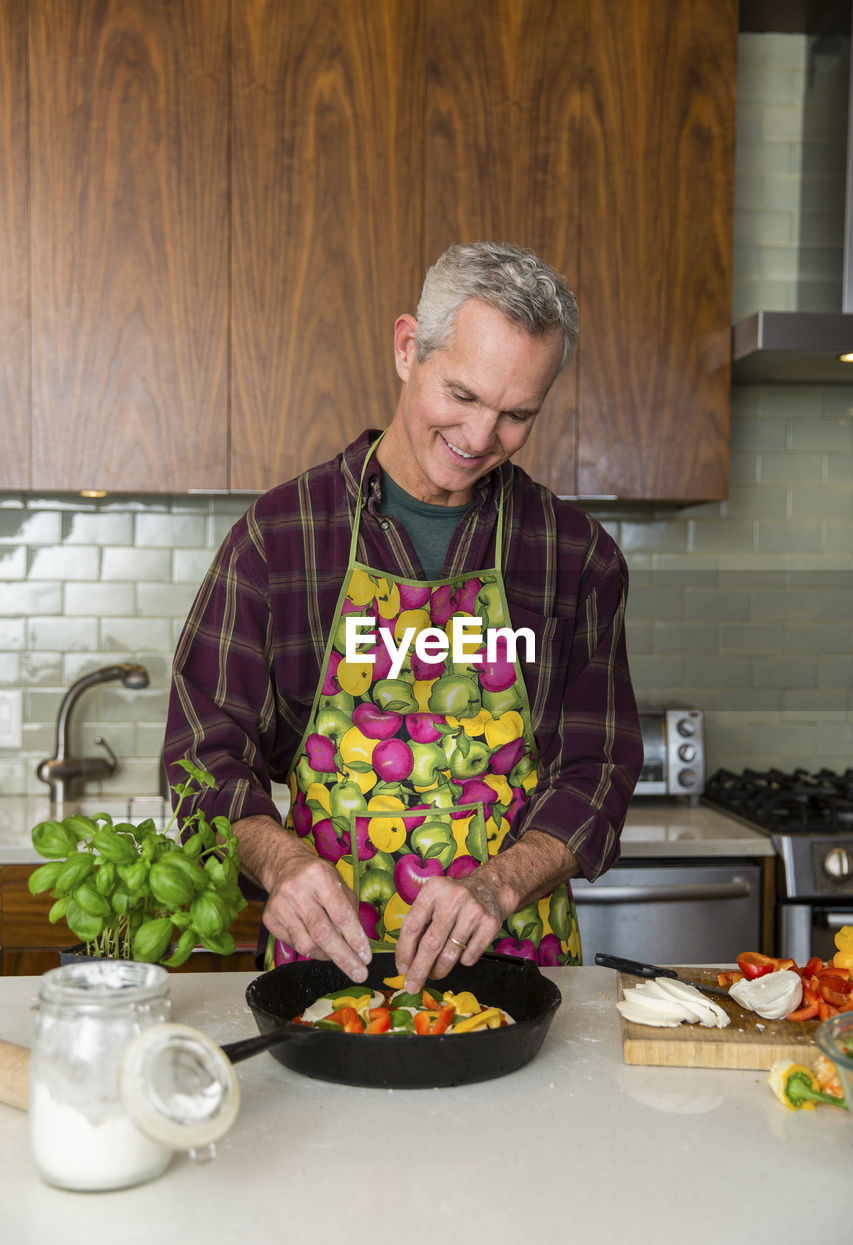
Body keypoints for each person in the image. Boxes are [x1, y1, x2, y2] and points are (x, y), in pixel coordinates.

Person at [164, 241, 643, 993]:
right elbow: (204, 759)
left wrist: (501, 885)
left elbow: (599, 770)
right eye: (461, 395)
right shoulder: (278, 539)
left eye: (516, 414)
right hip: (324, 972)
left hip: (515, 973)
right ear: (406, 347)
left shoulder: (574, 556)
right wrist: (281, 864)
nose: (480, 438)